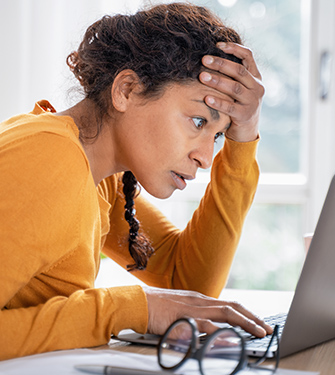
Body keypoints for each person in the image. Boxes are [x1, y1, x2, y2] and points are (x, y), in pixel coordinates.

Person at [0, 2, 272, 361]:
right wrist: (127, 308)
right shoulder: (51, 159)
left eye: (219, 136)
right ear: (126, 90)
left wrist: (244, 137)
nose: (206, 158)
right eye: (197, 122)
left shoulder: (101, 178)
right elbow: (154, 304)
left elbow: (188, 286)